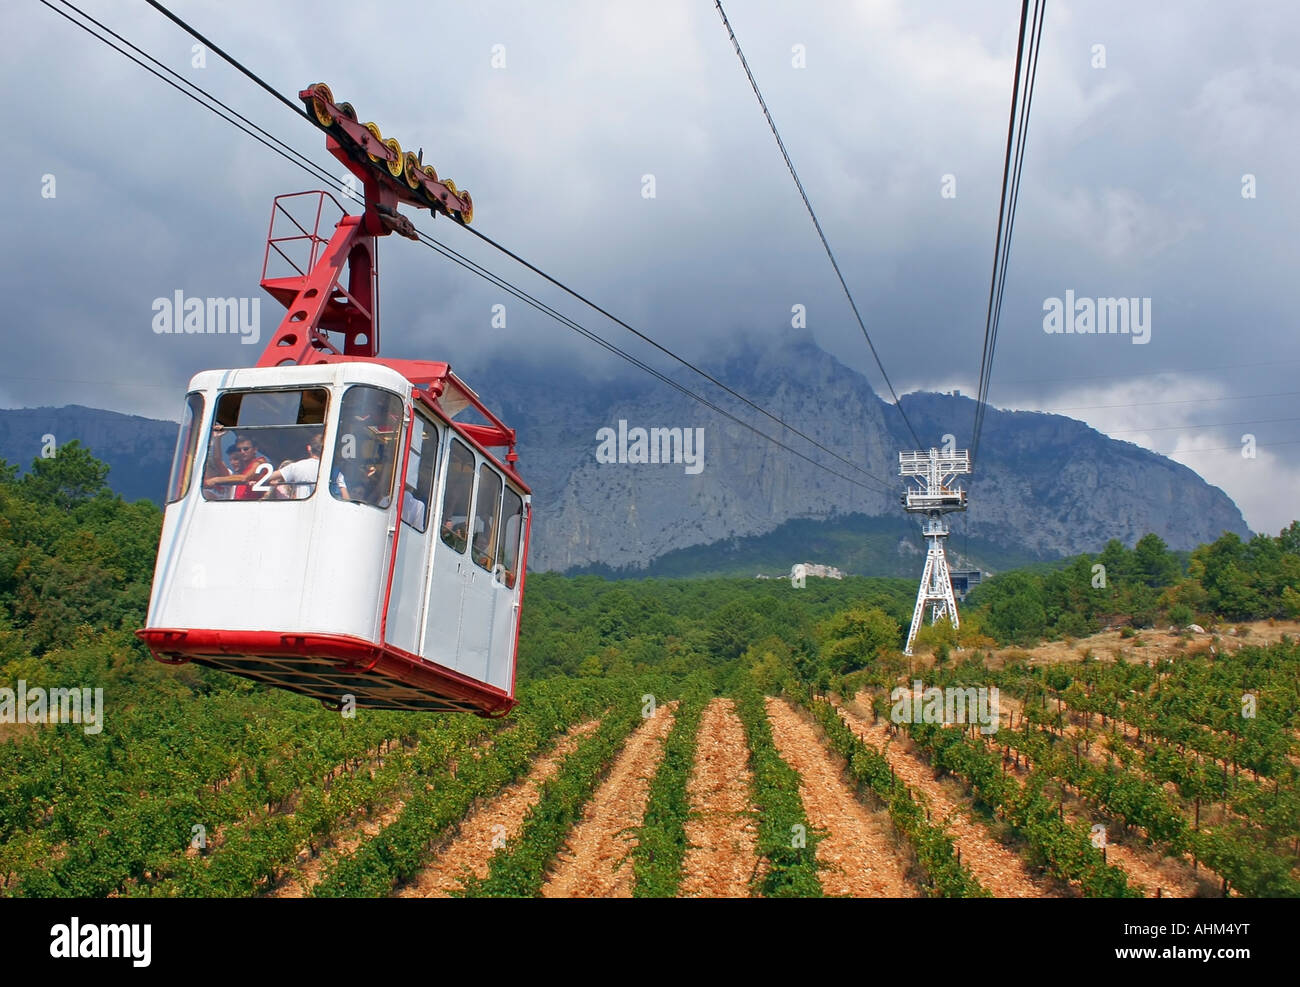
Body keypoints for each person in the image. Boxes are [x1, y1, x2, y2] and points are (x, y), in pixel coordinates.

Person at [204, 429, 272, 500]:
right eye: (239, 450)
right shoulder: (243, 469)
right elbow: (217, 460)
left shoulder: (260, 462)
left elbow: (244, 478)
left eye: (246, 449)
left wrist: (215, 480)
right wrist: (217, 438)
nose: (242, 452)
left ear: (255, 449)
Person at [263, 432, 324, 500]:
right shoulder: (332, 470)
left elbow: (267, 477)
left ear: (309, 448)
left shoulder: (297, 466)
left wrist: (255, 481)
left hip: (302, 506)